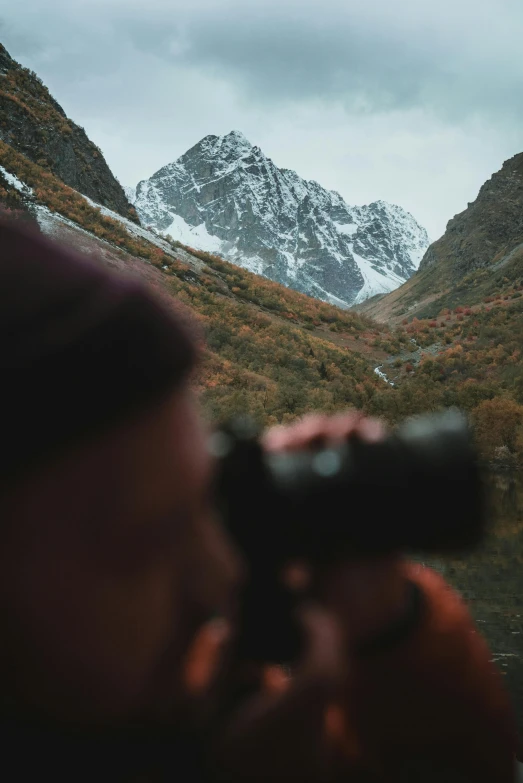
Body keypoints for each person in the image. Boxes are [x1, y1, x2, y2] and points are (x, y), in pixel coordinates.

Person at [0, 218, 518, 782]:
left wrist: (388, 629)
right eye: (147, 543)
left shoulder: (175, 700)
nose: (221, 577)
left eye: (207, 502)